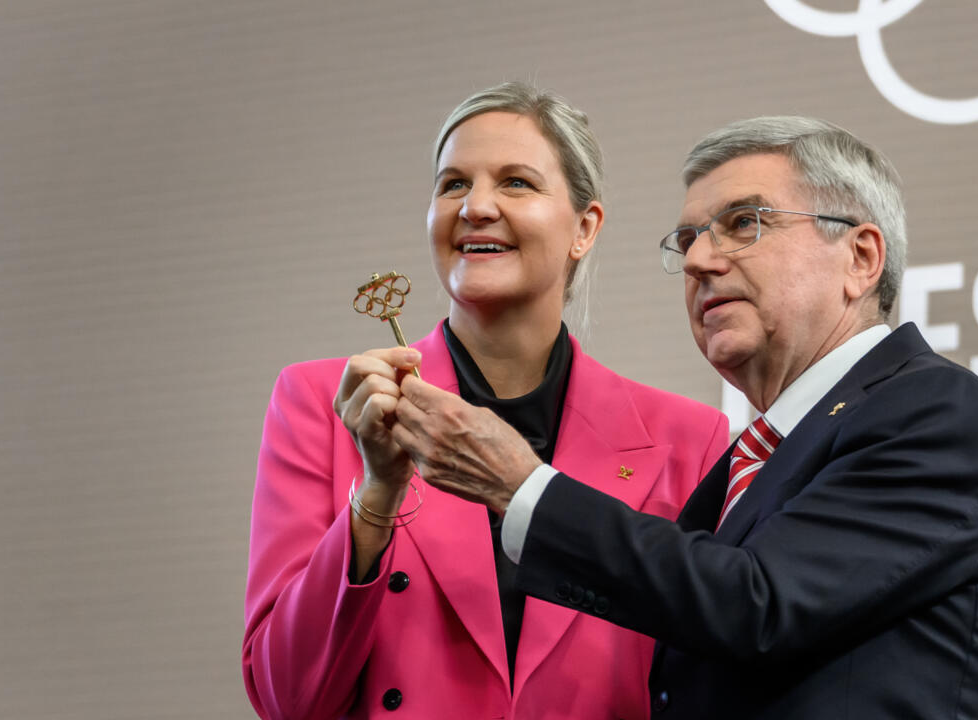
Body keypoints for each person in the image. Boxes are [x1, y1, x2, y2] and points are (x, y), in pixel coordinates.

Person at [391, 116, 978, 718]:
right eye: (689, 239)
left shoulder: (935, 411)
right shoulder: (750, 460)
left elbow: (756, 604)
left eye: (744, 223)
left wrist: (522, 487)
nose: (698, 260)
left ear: (860, 258)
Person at [242, 82, 729, 720]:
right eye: (453, 185)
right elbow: (287, 698)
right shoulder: (325, 403)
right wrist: (377, 496)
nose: (475, 207)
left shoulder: (690, 439)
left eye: (516, 183)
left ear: (584, 228)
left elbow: (708, 685)